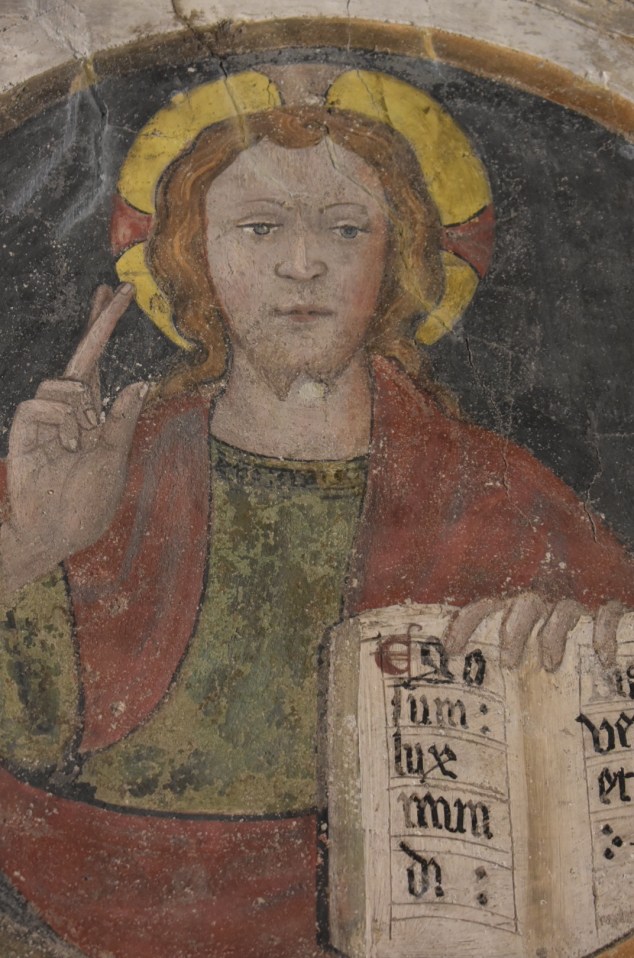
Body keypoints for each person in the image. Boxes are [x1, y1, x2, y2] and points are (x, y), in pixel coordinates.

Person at [0, 90, 632, 958]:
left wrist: (585, 662)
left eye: (345, 229)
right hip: (91, 904)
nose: (302, 265)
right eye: (259, 228)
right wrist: (30, 545)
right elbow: (27, 749)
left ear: (397, 258)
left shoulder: (500, 495)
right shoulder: (96, 468)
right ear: (195, 256)